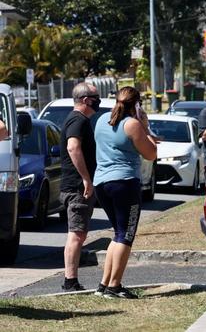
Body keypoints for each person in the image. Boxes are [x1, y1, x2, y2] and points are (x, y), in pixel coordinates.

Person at [93, 87, 157, 298]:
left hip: (102, 182)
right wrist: (146, 128)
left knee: (118, 233)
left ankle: (104, 284)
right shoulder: (133, 124)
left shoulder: (102, 120)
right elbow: (151, 154)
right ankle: (114, 286)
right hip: (124, 183)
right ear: (137, 104)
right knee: (126, 235)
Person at [59, 83, 100, 291]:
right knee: (76, 233)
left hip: (74, 185)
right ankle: (70, 281)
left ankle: (71, 280)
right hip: (76, 187)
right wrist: (86, 179)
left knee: (78, 233)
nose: (98, 100)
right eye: (95, 97)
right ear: (85, 100)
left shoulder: (79, 120)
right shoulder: (78, 120)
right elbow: (73, 147)